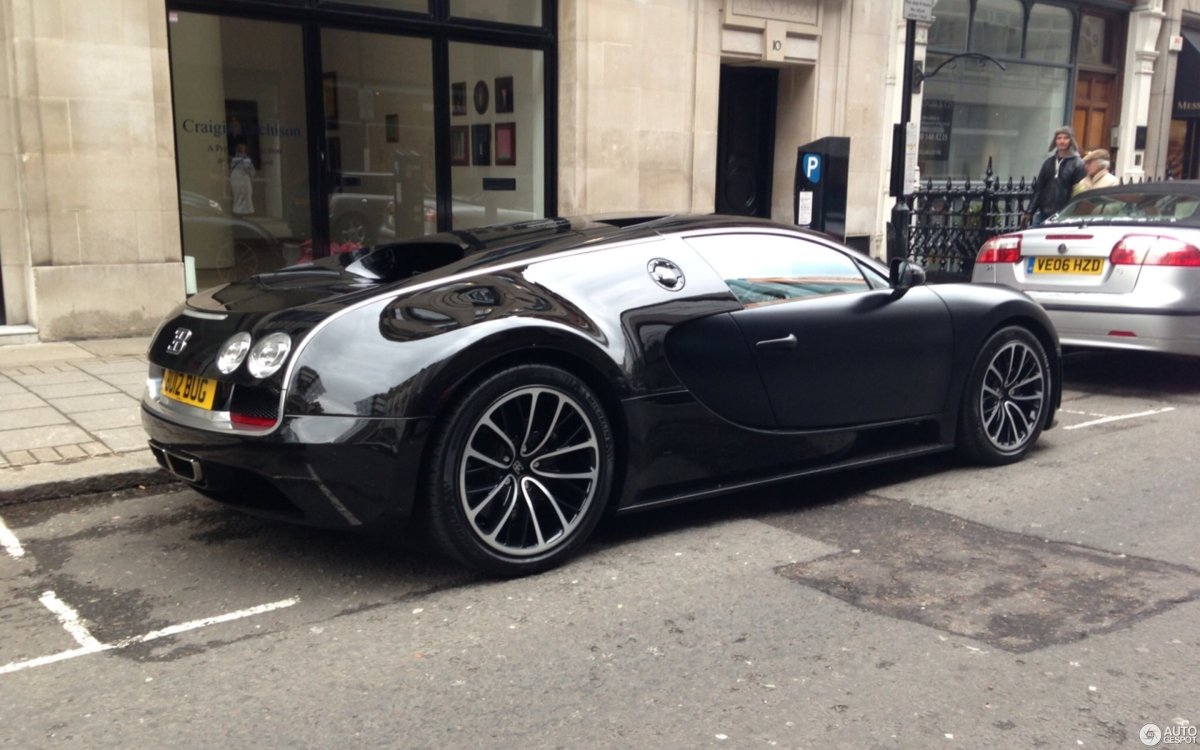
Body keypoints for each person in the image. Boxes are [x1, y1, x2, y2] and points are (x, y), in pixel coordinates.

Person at [1026, 126, 1086, 227]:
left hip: (1064, 216)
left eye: (1065, 138)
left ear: (1071, 140)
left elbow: (1079, 193)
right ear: (1055, 141)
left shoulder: (1078, 164)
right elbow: (1039, 189)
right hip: (1044, 214)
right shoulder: (1048, 163)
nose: (1062, 141)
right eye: (1059, 138)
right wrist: (1029, 212)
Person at [229, 143, 255, 215]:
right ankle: (244, 213)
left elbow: (231, 168)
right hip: (243, 180)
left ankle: (236, 211)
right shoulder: (247, 160)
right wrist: (252, 177)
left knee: (237, 197)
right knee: (245, 197)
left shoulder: (234, 160)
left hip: (234, 180)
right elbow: (250, 170)